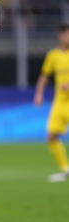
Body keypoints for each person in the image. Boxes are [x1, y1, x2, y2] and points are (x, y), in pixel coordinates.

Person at [34, 24, 69, 183]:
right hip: (60, 102)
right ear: (60, 36)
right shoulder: (53, 55)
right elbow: (44, 76)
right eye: (66, 34)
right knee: (52, 136)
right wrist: (39, 93)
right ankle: (65, 169)